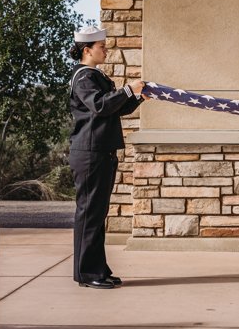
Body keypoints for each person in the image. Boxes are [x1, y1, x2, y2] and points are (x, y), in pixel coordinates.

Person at [68, 26, 145, 289]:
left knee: (96, 215)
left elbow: (112, 109)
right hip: (90, 154)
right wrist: (126, 90)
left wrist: (136, 97)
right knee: (89, 215)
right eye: (101, 46)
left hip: (99, 152)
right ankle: (88, 274)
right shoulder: (83, 77)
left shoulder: (93, 75)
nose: (106, 49)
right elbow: (100, 105)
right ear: (87, 50)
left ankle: (97, 269)